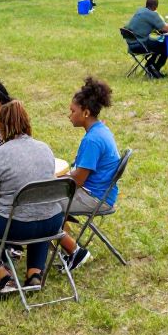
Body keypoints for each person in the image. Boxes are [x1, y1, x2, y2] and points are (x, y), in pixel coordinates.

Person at [0, 99, 65, 297]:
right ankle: (34, 273)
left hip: (17, 225)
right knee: (38, 209)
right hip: (53, 221)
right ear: (27, 122)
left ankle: (4, 278)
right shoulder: (45, 148)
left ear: (0, 125)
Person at [58, 77, 122, 272]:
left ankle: (75, 252)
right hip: (100, 193)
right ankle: (65, 246)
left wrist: (55, 180)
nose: (69, 115)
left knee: (42, 205)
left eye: (72, 111)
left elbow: (78, 180)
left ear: (85, 113)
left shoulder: (93, 140)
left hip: (95, 198)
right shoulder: (101, 130)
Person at [123, 0, 168, 79]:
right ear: (155, 7)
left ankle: (150, 65)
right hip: (141, 45)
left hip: (132, 45)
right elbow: (165, 29)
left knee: (157, 43)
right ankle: (154, 69)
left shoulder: (139, 11)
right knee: (167, 46)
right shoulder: (152, 14)